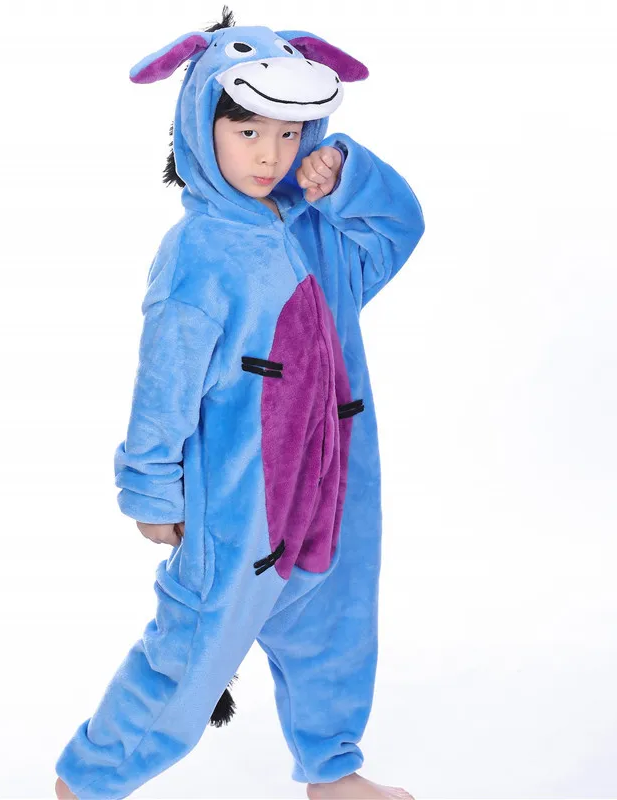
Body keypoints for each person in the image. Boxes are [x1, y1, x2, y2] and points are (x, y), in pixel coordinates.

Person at [54, 7, 424, 800]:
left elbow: (398, 229)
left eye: (289, 134)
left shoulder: (320, 229)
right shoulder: (198, 250)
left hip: (334, 493)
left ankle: (331, 770)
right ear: (202, 124)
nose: (270, 154)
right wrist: (152, 487)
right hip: (240, 503)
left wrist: (348, 177)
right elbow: (164, 383)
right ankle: (88, 780)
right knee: (192, 650)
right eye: (248, 130)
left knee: (336, 634)